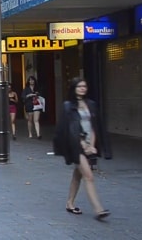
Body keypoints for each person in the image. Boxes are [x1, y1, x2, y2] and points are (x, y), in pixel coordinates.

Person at [53, 77, 111, 220]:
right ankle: (98, 209)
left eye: (84, 86)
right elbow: (68, 129)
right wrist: (82, 144)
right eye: (79, 86)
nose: (82, 88)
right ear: (73, 88)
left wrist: (91, 145)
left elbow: (94, 127)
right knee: (89, 176)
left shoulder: (90, 104)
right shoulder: (68, 106)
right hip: (75, 146)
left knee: (77, 175)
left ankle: (69, 203)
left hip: (88, 145)